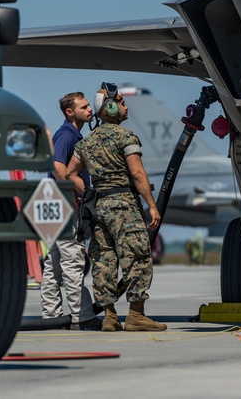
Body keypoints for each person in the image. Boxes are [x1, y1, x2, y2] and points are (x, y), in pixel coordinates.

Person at [65, 82, 166, 332]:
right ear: (110, 107)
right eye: (121, 102)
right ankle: (136, 315)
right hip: (124, 206)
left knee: (104, 259)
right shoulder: (126, 137)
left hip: (99, 207)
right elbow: (138, 174)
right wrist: (152, 206)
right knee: (137, 257)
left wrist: (87, 193)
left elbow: (70, 173)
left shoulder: (86, 142)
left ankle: (109, 316)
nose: (125, 106)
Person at [41, 91, 99, 329]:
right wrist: (78, 194)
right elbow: (57, 167)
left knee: (54, 263)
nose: (90, 110)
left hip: (53, 202)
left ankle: (52, 315)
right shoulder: (67, 135)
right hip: (64, 204)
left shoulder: (71, 134)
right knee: (73, 260)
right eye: (84, 107)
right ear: (70, 112)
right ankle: (81, 316)